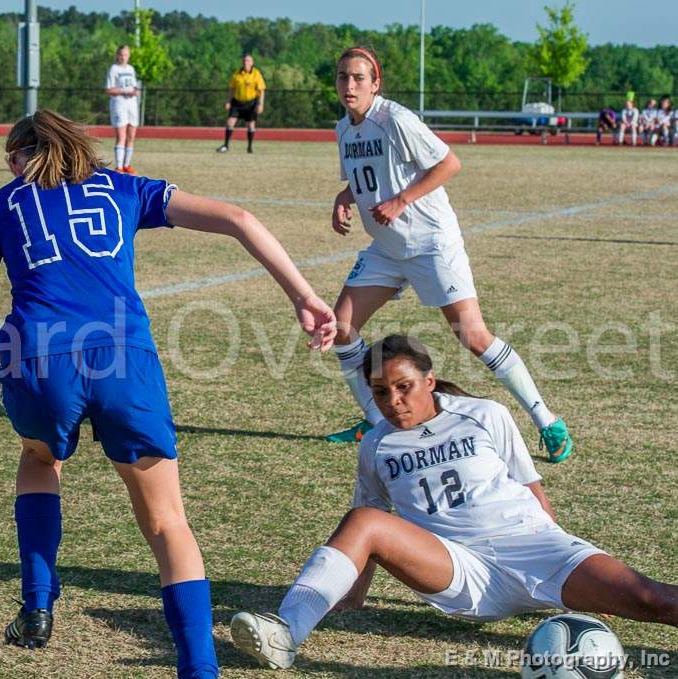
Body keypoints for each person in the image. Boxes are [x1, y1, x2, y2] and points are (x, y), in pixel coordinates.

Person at [0, 108, 337, 679]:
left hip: (38, 354)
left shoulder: (0, 203)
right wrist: (303, 295)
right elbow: (238, 217)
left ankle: (36, 603)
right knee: (166, 522)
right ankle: (199, 669)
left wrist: (11, 353)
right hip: (125, 358)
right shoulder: (124, 187)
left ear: (18, 157)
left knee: (40, 456)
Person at [230, 335, 678, 670]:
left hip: (536, 550)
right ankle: (287, 631)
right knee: (364, 517)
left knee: (651, 599)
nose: (393, 401)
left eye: (403, 386)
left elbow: (531, 489)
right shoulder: (378, 445)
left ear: (428, 380)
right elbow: (367, 525)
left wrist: (582, 576)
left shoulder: (486, 415)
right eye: (380, 392)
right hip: (462, 572)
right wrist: (352, 595)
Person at [321, 46, 573, 463]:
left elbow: (449, 164)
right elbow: (364, 180)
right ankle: (374, 420)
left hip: (430, 243)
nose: (350, 85)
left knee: (472, 336)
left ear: (375, 83)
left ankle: (547, 420)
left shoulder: (396, 120)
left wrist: (401, 201)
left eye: (359, 78)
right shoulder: (344, 129)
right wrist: (343, 197)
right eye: (343, 77)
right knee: (342, 327)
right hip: (386, 248)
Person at [217, 54, 266, 154]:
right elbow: (231, 89)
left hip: (251, 103)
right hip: (237, 103)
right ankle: (226, 146)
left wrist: (260, 104)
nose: (246, 62)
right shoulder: (236, 74)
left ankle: (249, 147)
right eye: (244, 61)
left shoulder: (256, 74)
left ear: (252, 63)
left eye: (248, 61)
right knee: (230, 122)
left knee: (251, 125)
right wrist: (228, 101)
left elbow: (261, 90)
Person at [105, 44, 140, 173]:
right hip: (119, 104)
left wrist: (135, 91)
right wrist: (124, 92)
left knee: (131, 135)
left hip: (132, 105)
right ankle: (119, 167)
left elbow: (134, 86)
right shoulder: (113, 69)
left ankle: (127, 165)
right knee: (121, 136)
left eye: (125, 54)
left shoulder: (131, 69)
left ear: (128, 55)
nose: (123, 57)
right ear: (117, 55)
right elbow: (108, 90)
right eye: (120, 54)